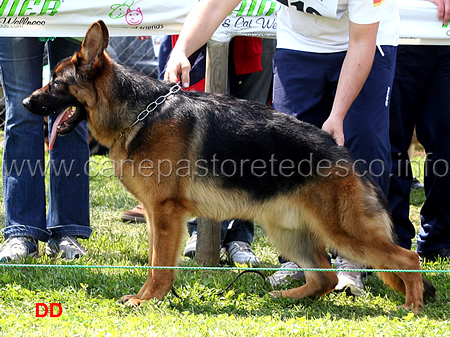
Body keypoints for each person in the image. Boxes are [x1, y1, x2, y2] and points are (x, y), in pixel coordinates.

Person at [164, 0, 399, 295]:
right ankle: (299, 261)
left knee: (362, 140)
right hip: (299, 43)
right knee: (287, 157)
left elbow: (362, 42)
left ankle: (353, 261)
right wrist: (181, 49)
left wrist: (337, 115)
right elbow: (215, 6)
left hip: (366, 42)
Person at [123, 34, 276, 265]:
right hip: (197, 35)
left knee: (247, 139)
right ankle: (199, 229)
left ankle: (240, 237)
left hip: (254, 32)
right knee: (201, 137)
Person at [0, 37, 91, 261]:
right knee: (21, 114)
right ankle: (22, 233)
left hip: (71, 11)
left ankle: (66, 231)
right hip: (17, 12)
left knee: (72, 112)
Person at [388, 0, 450, 261]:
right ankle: (394, 239)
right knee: (392, 143)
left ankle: (439, 239)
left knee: (446, 144)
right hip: (397, 34)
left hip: (445, 42)